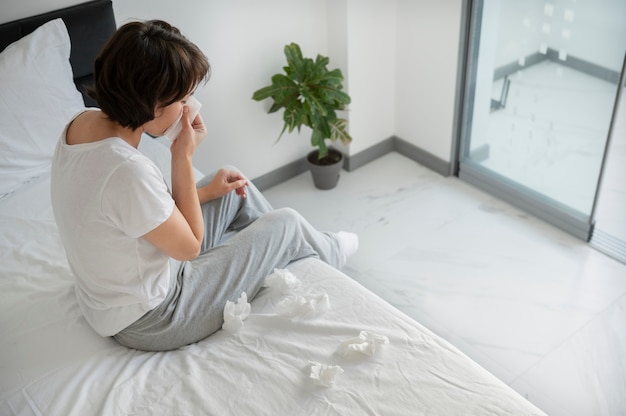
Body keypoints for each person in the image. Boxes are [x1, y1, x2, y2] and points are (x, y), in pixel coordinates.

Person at [50, 20, 358, 352]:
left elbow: (135, 212)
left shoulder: (79, 124)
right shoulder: (126, 170)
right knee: (285, 223)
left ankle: (275, 259)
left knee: (228, 179)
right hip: (154, 318)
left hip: (117, 293)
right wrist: (181, 156)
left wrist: (207, 192)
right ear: (153, 105)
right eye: (183, 99)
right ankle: (327, 252)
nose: (189, 107)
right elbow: (190, 248)